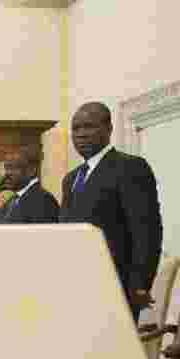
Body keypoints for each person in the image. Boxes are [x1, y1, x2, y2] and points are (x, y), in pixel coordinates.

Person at [60, 101, 163, 320]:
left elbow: (146, 231)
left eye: (88, 127)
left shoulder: (130, 167)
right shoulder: (70, 178)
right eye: (76, 129)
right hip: (73, 283)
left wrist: (140, 284)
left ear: (109, 129)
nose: (81, 134)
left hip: (116, 284)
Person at [0, 146, 59, 223]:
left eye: (13, 168)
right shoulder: (8, 198)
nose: (7, 173)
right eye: (6, 168)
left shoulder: (43, 200)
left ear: (31, 171)